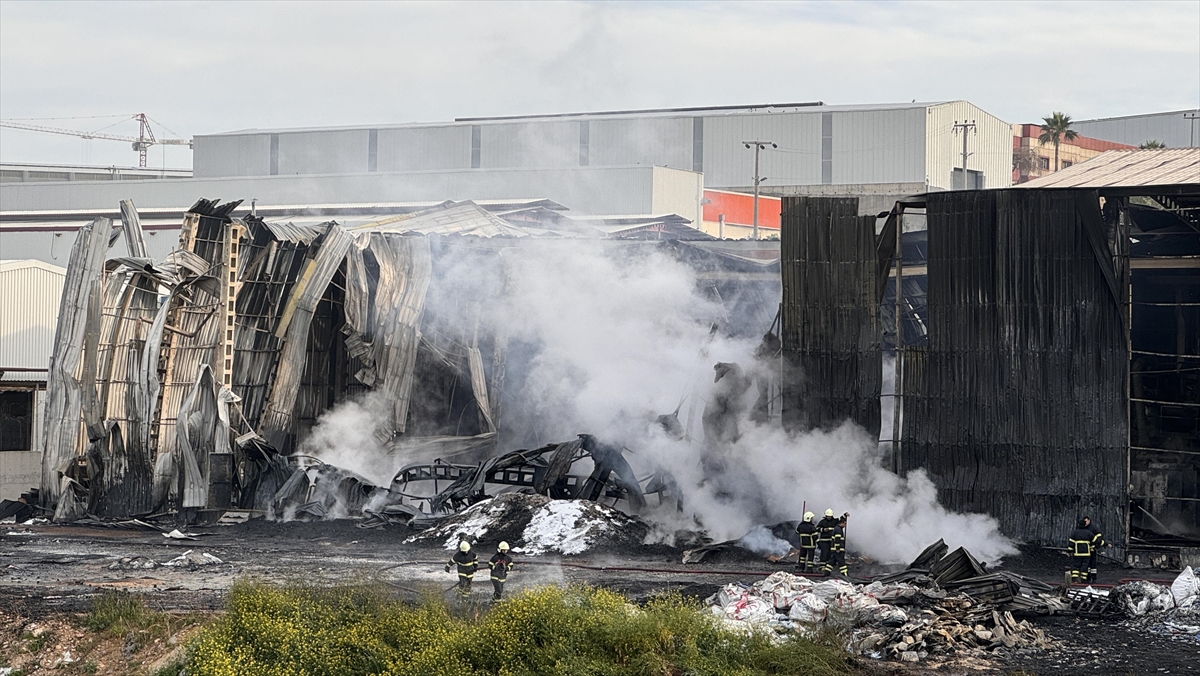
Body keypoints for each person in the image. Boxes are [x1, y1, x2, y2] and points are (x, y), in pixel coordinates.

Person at [1082, 516, 1108, 582]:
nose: (1085, 522)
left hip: (1092, 549)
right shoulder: (1082, 528)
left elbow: (1098, 538)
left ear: (1089, 520)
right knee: (1086, 564)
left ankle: (1094, 578)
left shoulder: (1093, 528)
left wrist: (1096, 545)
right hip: (1085, 549)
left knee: (1093, 564)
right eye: (1084, 521)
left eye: (1086, 521)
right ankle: (1087, 578)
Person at [1068, 518, 1094, 584]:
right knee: (1085, 567)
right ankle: (1083, 580)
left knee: (1076, 566)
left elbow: (1071, 543)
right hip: (1086, 554)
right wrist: (1092, 548)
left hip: (1077, 553)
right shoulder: (1089, 533)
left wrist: (1070, 551)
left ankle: (1074, 580)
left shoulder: (1075, 533)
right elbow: (1093, 542)